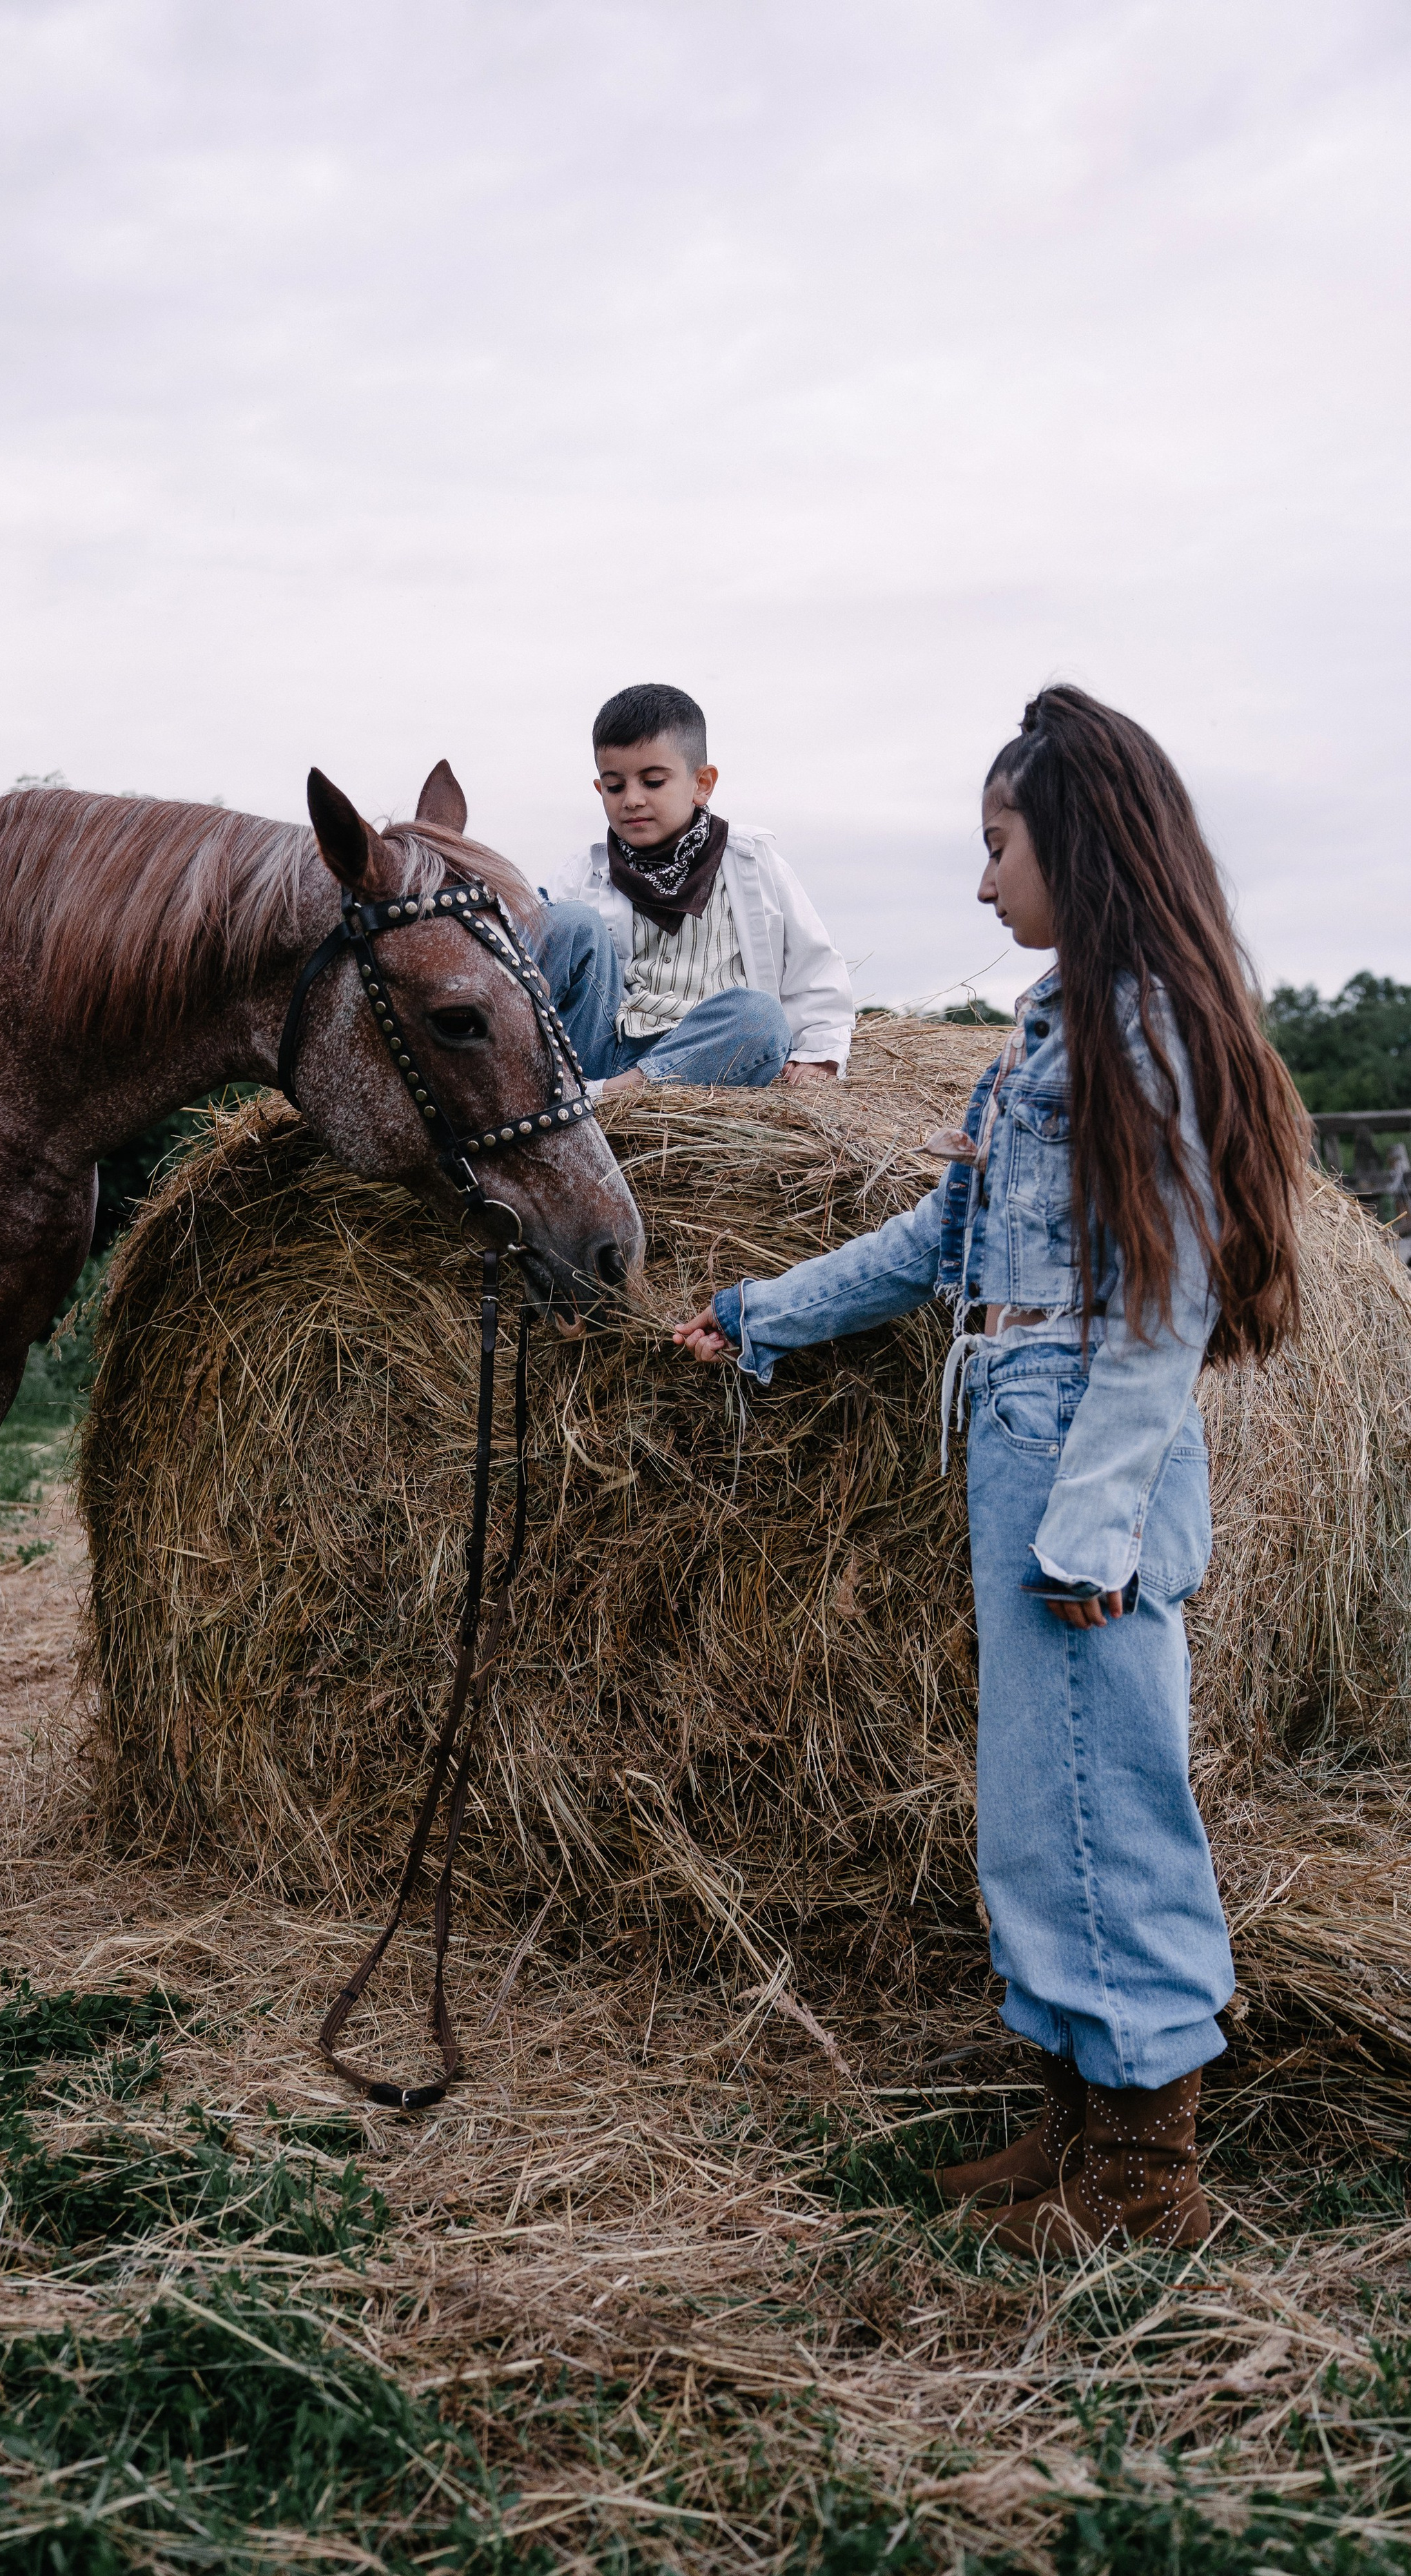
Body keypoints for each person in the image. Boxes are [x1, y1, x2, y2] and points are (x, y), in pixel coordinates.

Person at [673, 686, 1308, 2255]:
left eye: (994, 846)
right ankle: (1077, 2114)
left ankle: (1149, 2174)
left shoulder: (1147, 1019)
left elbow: (1160, 1299)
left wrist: (1090, 1517)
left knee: (1107, 1796)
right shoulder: (1050, 1028)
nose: (976, 884)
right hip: (1017, 1427)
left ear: (1070, 845)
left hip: (1081, 1449)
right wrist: (758, 1313)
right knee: (1041, 1797)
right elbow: (942, 1242)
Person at [537, 683, 854, 1099]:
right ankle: (539, 1080)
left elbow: (813, 964)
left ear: (702, 784)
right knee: (567, 920)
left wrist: (820, 1051)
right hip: (599, 1047)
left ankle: (614, 1095)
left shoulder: (751, 861)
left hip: (705, 1054)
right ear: (600, 790)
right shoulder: (581, 872)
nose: (631, 800)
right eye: (614, 787)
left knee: (760, 1016)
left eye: (652, 782)